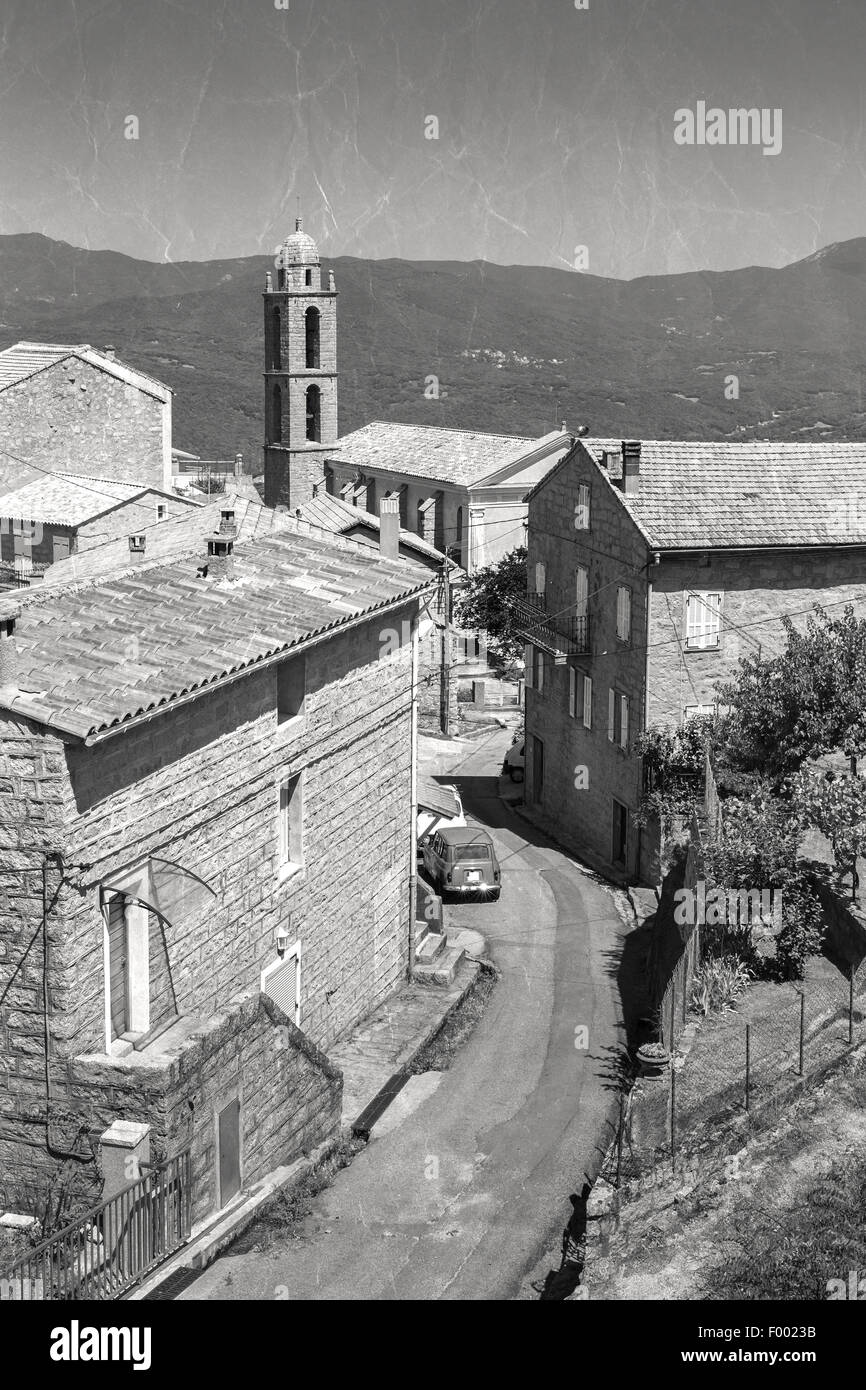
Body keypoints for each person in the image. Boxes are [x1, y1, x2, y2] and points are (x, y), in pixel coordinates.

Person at [536, 1183, 592, 1300]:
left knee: (577, 1231)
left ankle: (582, 1204)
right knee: (580, 1231)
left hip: (570, 1268)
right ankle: (582, 1203)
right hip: (575, 1266)